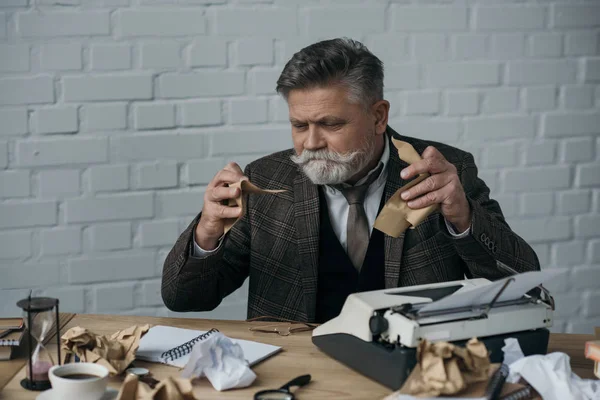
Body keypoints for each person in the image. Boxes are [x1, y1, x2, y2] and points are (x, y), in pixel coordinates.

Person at [161, 38, 540, 323]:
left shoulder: (443, 172)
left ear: (378, 116)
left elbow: (525, 285)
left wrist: (464, 218)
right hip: (296, 378)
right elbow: (185, 299)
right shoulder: (264, 180)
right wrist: (207, 233)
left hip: (416, 375)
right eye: (298, 125)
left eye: (330, 124)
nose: (310, 143)